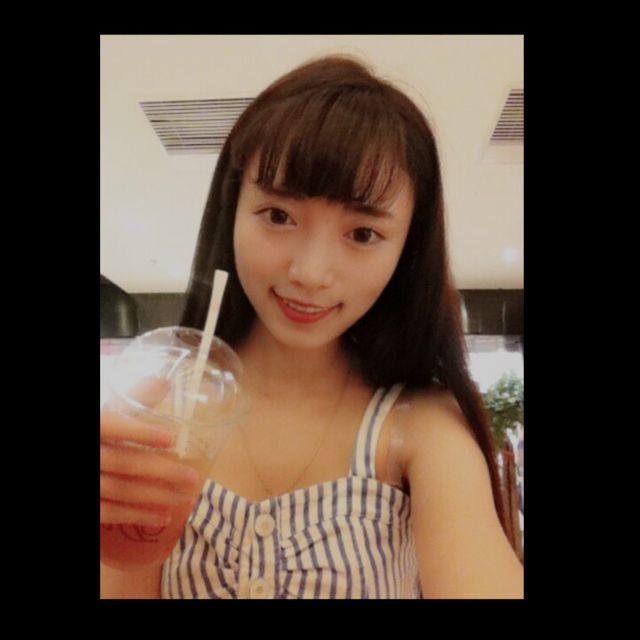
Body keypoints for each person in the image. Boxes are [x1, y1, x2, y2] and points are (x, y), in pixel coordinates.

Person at [100, 54, 525, 599]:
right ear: (233, 210)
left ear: (406, 250)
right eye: (278, 216)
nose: (310, 272)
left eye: (363, 234)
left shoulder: (419, 429)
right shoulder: (160, 410)